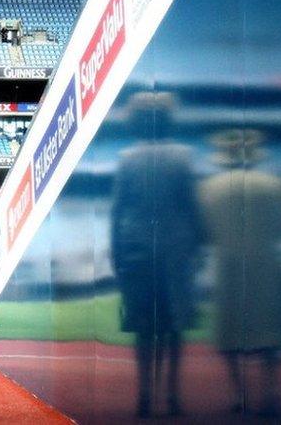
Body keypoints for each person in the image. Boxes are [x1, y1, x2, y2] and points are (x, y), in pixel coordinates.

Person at [110, 92, 202, 418]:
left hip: (136, 251)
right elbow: (192, 208)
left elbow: (117, 212)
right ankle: (173, 395)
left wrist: (116, 253)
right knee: (174, 326)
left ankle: (145, 394)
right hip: (176, 253)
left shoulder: (127, 158)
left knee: (143, 328)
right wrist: (199, 248)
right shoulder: (184, 157)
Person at [199, 128, 281, 416]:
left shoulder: (210, 188)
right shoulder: (275, 185)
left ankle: (239, 395)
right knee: (268, 332)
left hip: (228, 266)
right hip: (265, 265)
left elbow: (206, 232)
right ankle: (271, 392)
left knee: (230, 333)